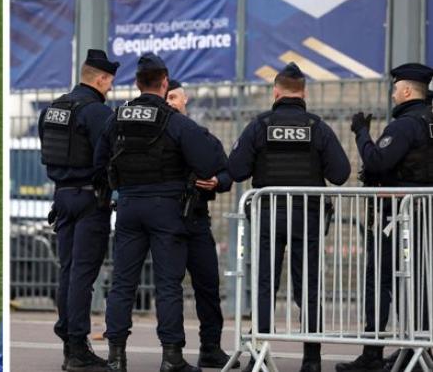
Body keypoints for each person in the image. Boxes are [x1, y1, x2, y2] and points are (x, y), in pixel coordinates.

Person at [96, 53, 227, 372]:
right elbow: (208, 165)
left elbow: (99, 162)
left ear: (138, 83)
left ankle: (115, 356)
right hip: (167, 209)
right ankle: (171, 357)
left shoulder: (117, 117)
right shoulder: (175, 121)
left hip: (127, 207)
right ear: (164, 82)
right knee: (167, 284)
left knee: (123, 282)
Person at [227, 63, 350, 372]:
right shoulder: (317, 126)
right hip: (306, 217)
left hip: (268, 215)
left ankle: (259, 355)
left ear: (276, 92)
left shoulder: (259, 124)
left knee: (265, 283)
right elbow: (341, 174)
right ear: (304, 93)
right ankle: (311, 360)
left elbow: (237, 169)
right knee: (308, 287)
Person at [336, 63, 433, 372]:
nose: (393, 94)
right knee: (419, 284)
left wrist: (361, 133)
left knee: (379, 281)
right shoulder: (429, 122)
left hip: (398, 217)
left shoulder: (405, 125)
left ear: (406, 91)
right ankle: (417, 350)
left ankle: (373, 354)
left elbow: (377, 161)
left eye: (395, 89)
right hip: (423, 215)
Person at [38, 49, 118, 372]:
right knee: (82, 276)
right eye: (110, 82)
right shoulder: (96, 112)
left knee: (68, 272)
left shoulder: (53, 109)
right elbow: (112, 155)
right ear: (100, 79)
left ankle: (70, 344)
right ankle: (77, 349)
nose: (110, 88)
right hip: (89, 201)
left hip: (62, 199)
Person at [166, 80, 238, 369]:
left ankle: (211, 347)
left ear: (186, 101)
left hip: (195, 219)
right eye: (166, 96)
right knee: (168, 288)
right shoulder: (153, 137)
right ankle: (172, 352)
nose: (171, 101)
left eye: (175, 97)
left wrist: (217, 181)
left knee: (208, 285)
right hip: (166, 222)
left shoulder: (200, 135)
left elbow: (227, 172)